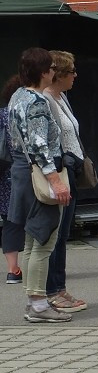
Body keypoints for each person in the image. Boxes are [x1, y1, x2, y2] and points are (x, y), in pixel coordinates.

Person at [7, 48, 72, 323]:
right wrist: (56, 180)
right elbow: (38, 144)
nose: (54, 72)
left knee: (34, 240)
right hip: (39, 175)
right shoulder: (36, 101)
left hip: (22, 172)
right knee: (44, 240)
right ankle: (38, 304)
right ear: (45, 72)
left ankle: (35, 301)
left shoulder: (17, 96)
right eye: (51, 68)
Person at [43, 51, 88, 312]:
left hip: (70, 171)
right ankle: (51, 290)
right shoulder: (46, 100)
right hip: (58, 172)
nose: (75, 76)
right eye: (71, 72)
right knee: (55, 234)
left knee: (64, 233)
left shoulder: (62, 97)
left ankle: (60, 287)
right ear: (58, 75)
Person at [0, 77, 24, 285]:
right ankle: (41, 267)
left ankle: (12, 270)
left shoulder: (1, 116)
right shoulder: (25, 114)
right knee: (37, 220)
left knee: (10, 222)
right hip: (25, 172)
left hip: (5, 174)